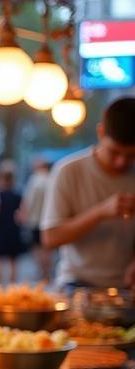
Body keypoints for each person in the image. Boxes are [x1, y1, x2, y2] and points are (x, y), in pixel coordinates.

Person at [41, 97, 135, 291]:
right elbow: (50, 238)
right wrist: (101, 212)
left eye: (131, 155)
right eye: (114, 152)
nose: (121, 162)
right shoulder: (69, 171)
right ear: (100, 132)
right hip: (76, 282)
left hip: (126, 287)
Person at [0, 165, 27, 285]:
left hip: (0, 229)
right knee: (13, 261)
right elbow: (22, 214)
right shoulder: (17, 195)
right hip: (13, 229)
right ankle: (12, 286)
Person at [20, 159, 54, 281]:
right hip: (49, 219)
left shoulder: (35, 180)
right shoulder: (52, 179)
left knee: (37, 248)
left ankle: (41, 272)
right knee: (47, 248)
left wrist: (24, 215)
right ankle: (47, 273)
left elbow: (28, 200)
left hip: (35, 219)